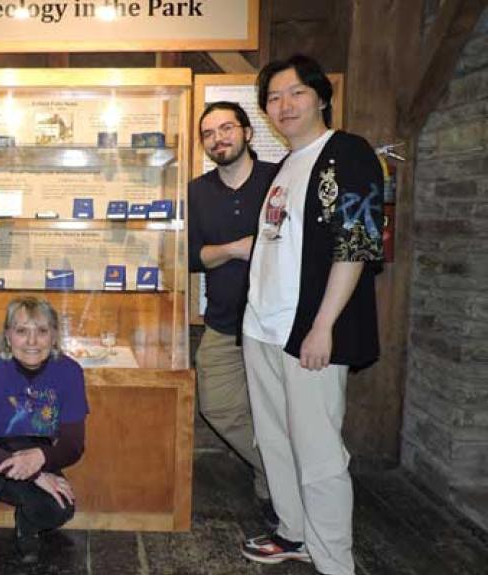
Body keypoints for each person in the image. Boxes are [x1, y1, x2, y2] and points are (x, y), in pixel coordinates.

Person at [239, 55, 383, 575]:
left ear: (321, 96)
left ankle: (334, 561)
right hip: (263, 328)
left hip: (309, 333)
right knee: (275, 441)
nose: (285, 105)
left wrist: (323, 326)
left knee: (320, 452)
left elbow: (357, 244)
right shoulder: (285, 166)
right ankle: (295, 532)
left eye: (296, 92)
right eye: (275, 97)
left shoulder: (349, 153)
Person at [0, 297, 89, 575]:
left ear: (55, 335)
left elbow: (73, 444)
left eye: (42, 331)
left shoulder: (70, 372)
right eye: (22, 331)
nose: (32, 341)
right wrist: (36, 474)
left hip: (35, 454)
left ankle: (27, 526)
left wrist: (41, 458)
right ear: (8, 336)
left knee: (59, 507)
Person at [188, 101, 279, 529]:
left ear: (247, 132)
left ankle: (275, 485)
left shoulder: (280, 180)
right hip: (224, 322)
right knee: (218, 405)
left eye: (226, 128)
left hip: (278, 324)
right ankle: (277, 470)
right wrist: (236, 248)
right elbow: (192, 256)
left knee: (278, 409)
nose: (218, 138)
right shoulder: (197, 191)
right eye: (208, 133)